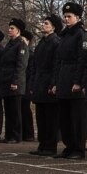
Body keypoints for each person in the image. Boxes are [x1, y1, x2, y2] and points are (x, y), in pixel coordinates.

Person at [53, 2, 87, 159]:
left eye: (69, 16)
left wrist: (78, 82)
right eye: (65, 16)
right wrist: (55, 82)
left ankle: (78, 148)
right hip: (63, 78)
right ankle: (69, 146)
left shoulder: (82, 34)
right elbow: (58, 60)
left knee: (76, 118)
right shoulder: (64, 35)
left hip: (74, 77)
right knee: (65, 117)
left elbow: (83, 59)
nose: (66, 19)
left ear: (78, 17)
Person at [28, 14, 62, 156]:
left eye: (46, 23)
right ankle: (42, 144)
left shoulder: (56, 42)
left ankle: (50, 145)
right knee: (41, 116)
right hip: (39, 82)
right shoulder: (41, 43)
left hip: (49, 82)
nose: (43, 25)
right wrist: (32, 83)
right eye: (43, 23)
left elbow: (56, 65)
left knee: (50, 117)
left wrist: (53, 83)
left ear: (53, 27)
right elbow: (35, 66)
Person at [0, 19, 28, 143]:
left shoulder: (21, 45)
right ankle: (9, 135)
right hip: (6, 80)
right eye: (9, 28)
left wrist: (15, 81)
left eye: (12, 28)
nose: (9, 30)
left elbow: (21, 65)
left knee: (15, 111)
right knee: (8, 110)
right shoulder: (9, 44)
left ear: (18, 31)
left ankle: (15, 135)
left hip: (14, 81)